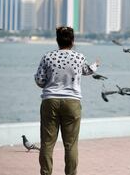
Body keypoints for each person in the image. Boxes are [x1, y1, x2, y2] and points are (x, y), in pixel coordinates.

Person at [34, 26, 100, 175]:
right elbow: (87, 71)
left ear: (57, 40)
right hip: (72, 102)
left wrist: (49, 82)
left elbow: (39, 80)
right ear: (73, 40)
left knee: (47, 143)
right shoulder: (79, 57)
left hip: (50, 101)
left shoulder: (47, 57)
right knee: (70, 145)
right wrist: (96, 65)